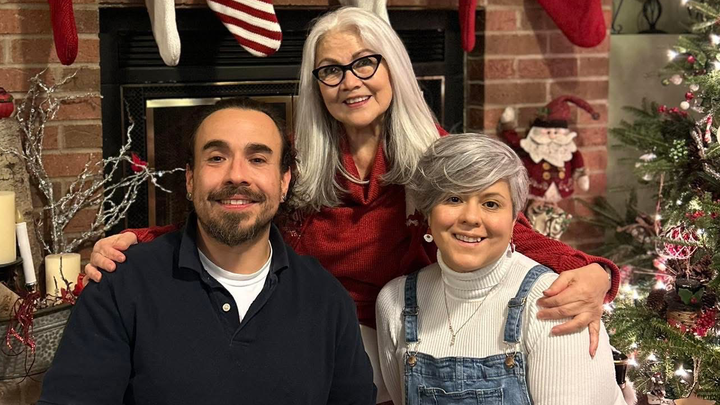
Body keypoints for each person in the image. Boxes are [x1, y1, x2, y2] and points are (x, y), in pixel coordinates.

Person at [84, 7, 619, 402]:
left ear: (393, 69)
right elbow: (238, 213)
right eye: (331, 70)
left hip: (407, 329)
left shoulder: (433, 156)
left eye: (365, 63)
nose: (351, 82)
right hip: (311, 327)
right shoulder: (299, 160)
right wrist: (139, 241)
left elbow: (504, 228)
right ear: (317, 85)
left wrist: (595, 272)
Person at [39, 99, 376, 405]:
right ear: (190, 179)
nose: (236, 176)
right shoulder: (120, 284)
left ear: (284, 181)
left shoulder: (326, 298)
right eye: (216, 158)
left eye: (257, 159)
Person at [376, 133, 624, 405]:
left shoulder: (556, 303)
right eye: (454, 199)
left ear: (514, 219)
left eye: (491, 204)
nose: (471, 218)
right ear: (428, 213)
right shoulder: (396, 301)